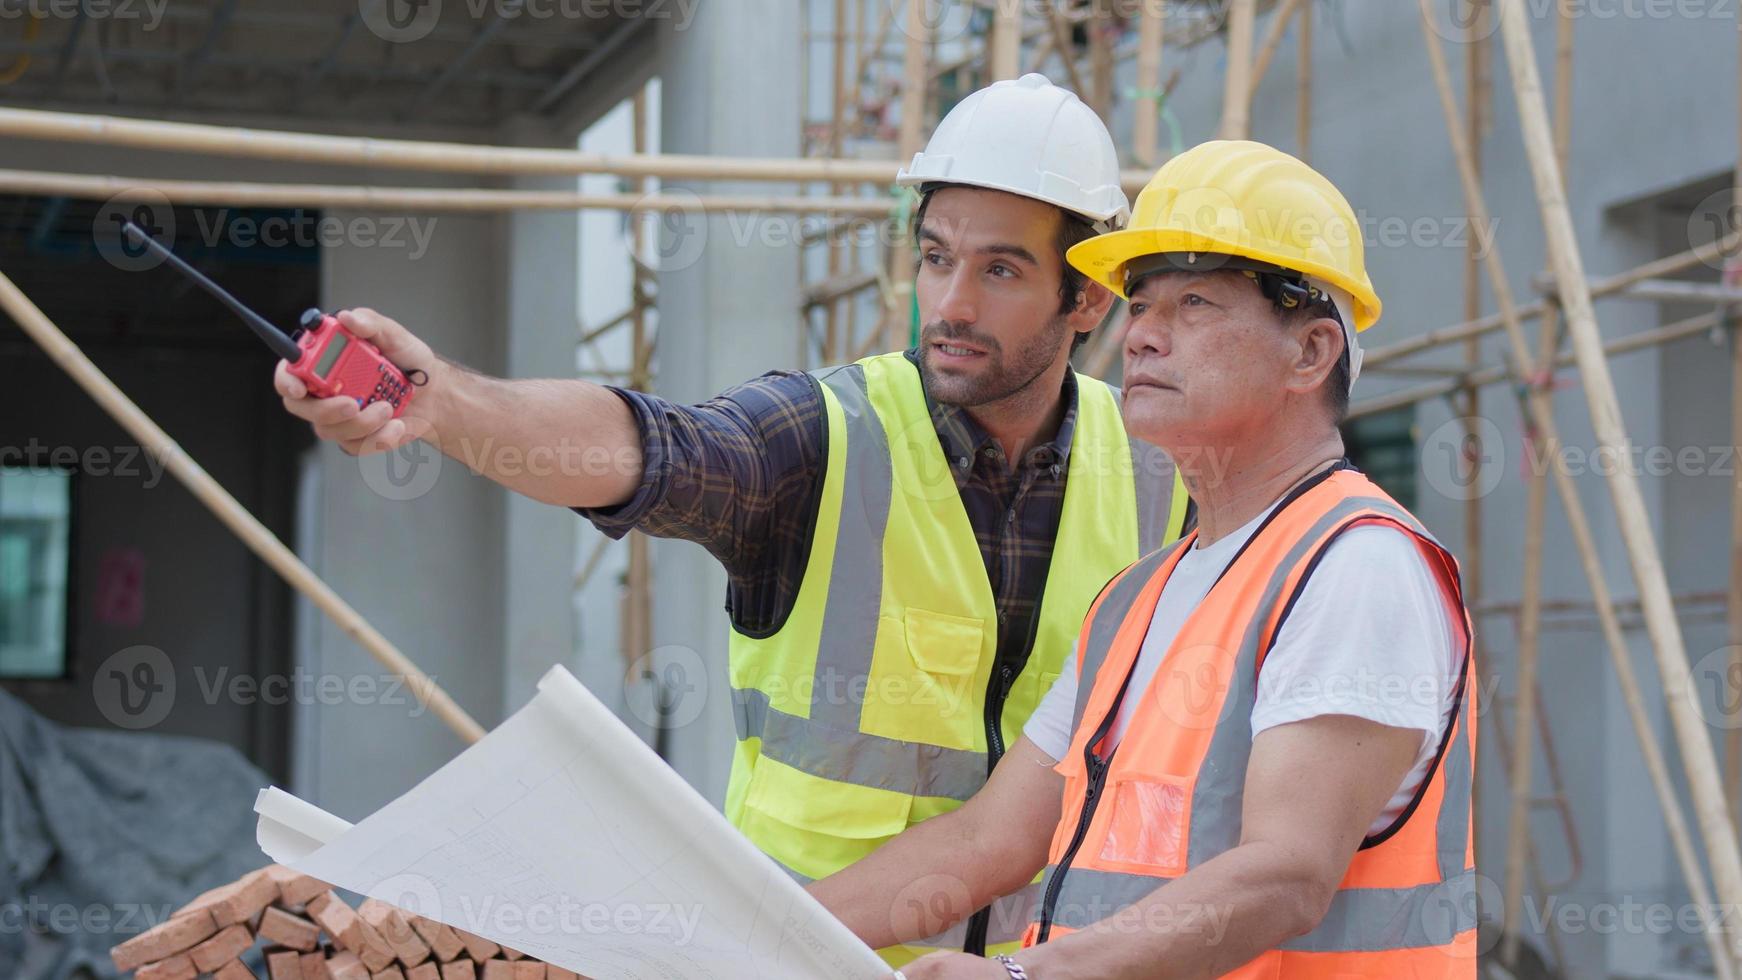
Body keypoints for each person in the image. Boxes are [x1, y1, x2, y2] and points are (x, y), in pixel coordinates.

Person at [272, 74, 1188, 967]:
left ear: (1087, 300)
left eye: (1000, 269)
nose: (949, 302)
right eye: (937, 255)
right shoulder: (826, 438)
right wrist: (446, 404)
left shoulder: (1164, 474)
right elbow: (650, 449)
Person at [809, 140, 1478, 979]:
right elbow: (990, 840)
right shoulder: (1136, 599)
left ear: (1309, 354)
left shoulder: (1357, 566)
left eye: (1193, 302)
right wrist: (720, 942)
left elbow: (1287, 874)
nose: (1142, 337)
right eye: (1141, 303)